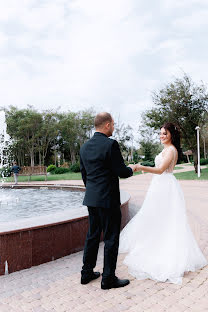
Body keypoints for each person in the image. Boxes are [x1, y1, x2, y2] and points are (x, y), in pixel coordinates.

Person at [119, 122, 207, 284]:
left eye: (164, 134)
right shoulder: (165, 150)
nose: (161, 136)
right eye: (160, 133)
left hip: (166, 185)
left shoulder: (171, 150)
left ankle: (169, 255)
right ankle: (156, 247)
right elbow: (158, 169)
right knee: (157, 218)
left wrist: (140, 167)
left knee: (167, 219)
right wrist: (144, 168)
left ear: (171, 135)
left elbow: (161, 170)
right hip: (158, 185)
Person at [80, 112, 135, 290]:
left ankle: (86, 273)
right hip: (108, 200)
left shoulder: (84, 147)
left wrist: (94, 191)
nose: (113, 127)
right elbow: (122, 172)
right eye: (113, 124)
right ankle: (108, 279)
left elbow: (84, 176)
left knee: (93, 235)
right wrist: (131, 168)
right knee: (111, 238)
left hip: (92, 199)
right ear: (106, 125)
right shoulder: (110, 145)